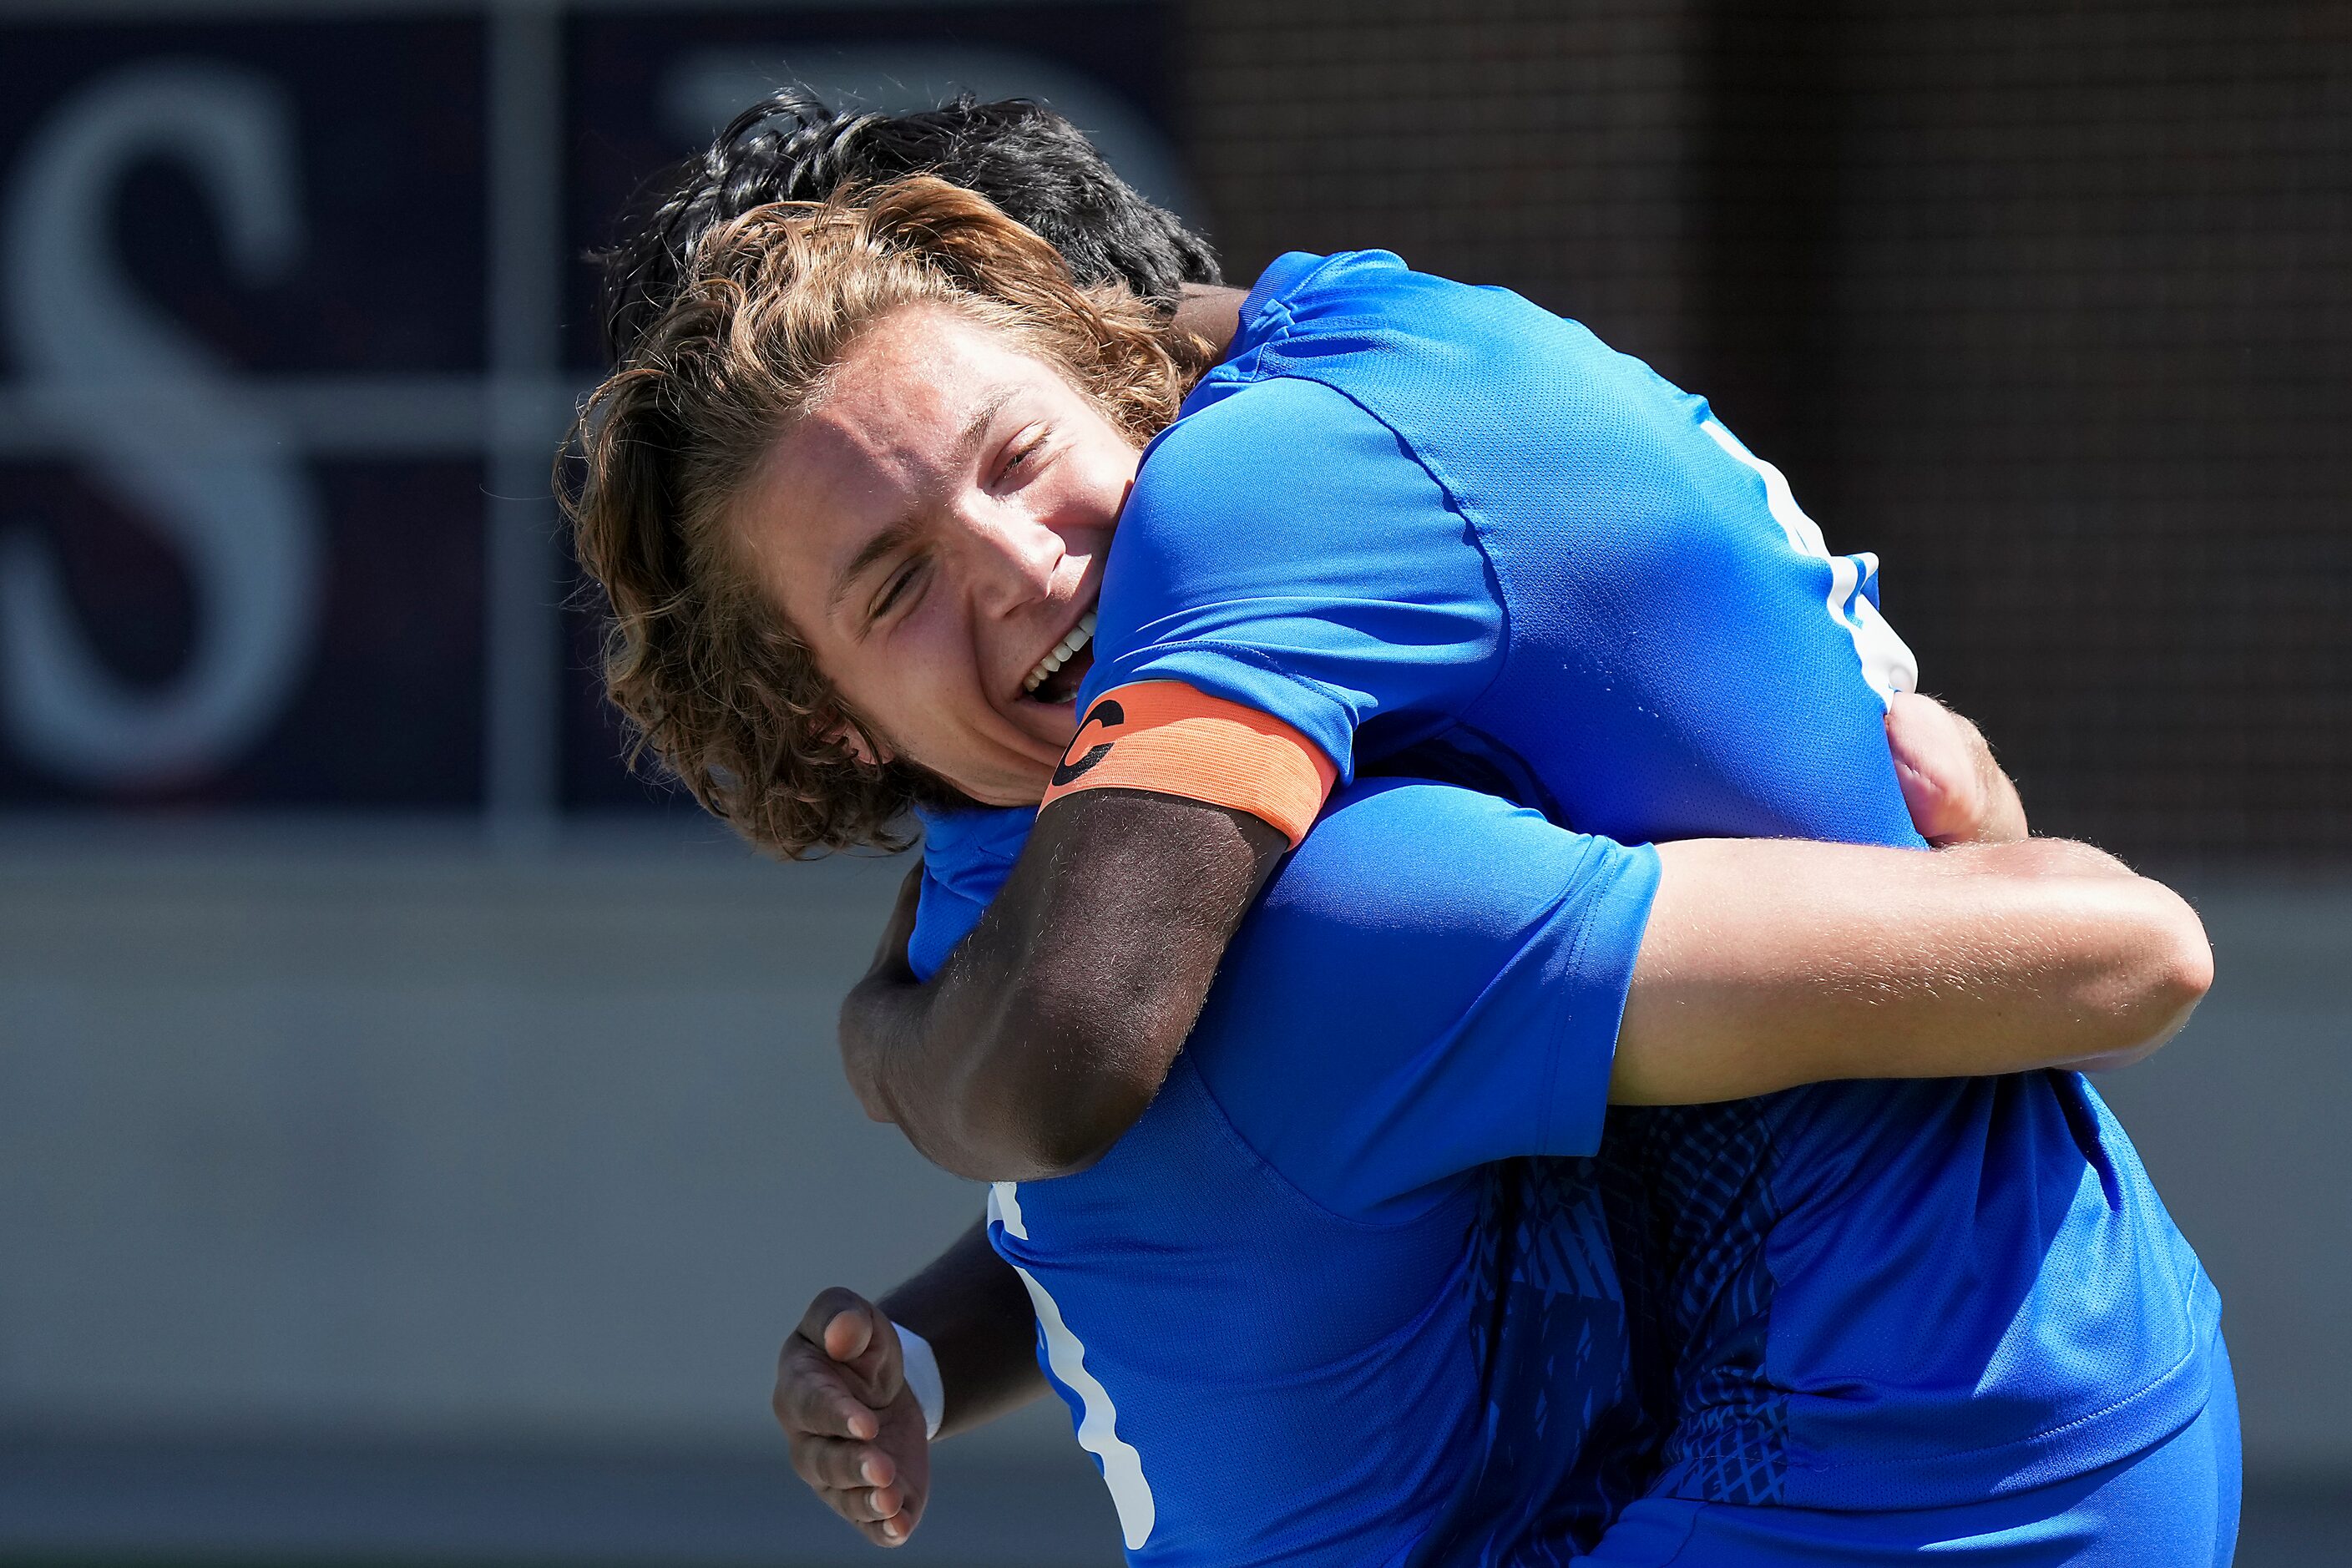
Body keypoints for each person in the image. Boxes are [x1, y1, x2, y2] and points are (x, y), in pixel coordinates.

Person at [564, 112, 2236, 1565]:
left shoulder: (1319, 909)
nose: (1010, 563)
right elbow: (1189, 1195)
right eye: (893, 583)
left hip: (1942, 1486)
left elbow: (2129, 954)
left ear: (1148, 403)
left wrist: (878, 1049)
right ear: (829, 722)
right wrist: (932, 1346)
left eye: (1019, 458)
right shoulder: (1035, 868)